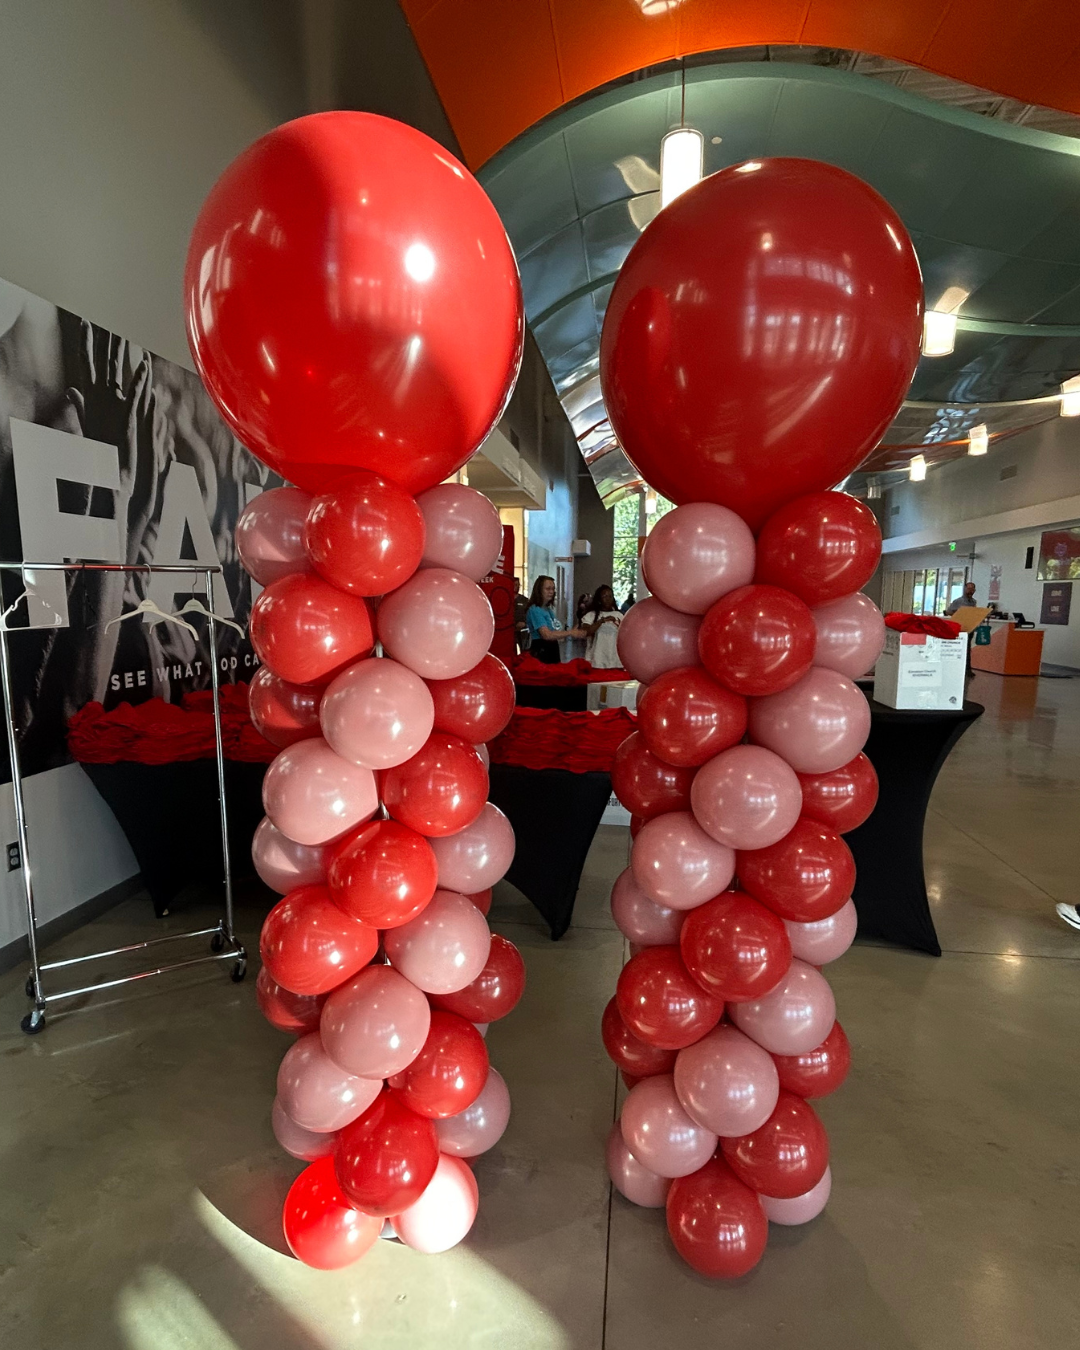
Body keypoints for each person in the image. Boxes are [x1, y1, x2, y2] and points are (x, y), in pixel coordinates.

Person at [525, 575, 584, 663]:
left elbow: (555, 631)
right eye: (548, 589)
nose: (551, 592)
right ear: (539, 590)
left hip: (552, 648)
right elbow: (546, 635)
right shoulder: (535, 610)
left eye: (553, 589)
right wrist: (570, 632)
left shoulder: (548, 609)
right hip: (542, 650)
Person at [579, 584, 623, 669]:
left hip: (615, 660)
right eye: (604, 596)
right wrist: (601, 621)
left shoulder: (619, 615)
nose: (608, 599)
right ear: (599, 599)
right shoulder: (591, 615)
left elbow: (625, 635)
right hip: (596, 660)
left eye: (610, 596)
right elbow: (586, 632)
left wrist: (617, 623)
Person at [945, 580, 978, 680]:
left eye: (972, 589)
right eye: (968, 588)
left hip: (969, 628)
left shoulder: (973, 602)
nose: (970, 591)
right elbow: (948, 611)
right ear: (964, 589)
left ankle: (967, 669)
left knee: (968, 649)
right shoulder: (958, 601)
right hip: (960, 628)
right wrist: (959, 616)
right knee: (960, 649)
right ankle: (957, 668)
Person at [513, 577, 530, 654]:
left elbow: (530, 615)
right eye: (515, 585)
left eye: (518, 585)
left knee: (524, 651)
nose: (517, 587)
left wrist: (524, 623)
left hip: (522, 631)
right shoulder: (506, 598)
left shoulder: (524, 600)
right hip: (510, 631)